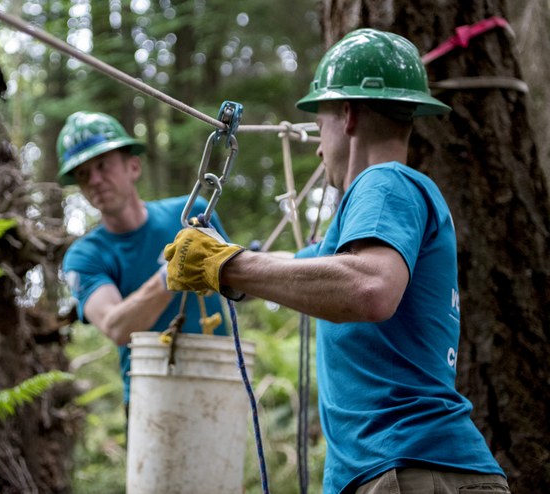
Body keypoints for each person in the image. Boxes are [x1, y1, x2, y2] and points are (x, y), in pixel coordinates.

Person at [164, 29, 510, 494]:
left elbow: (368, 288)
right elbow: (302, 267)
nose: (316, 143)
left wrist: (230, 266)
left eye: (319, 120)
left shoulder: (386, 182)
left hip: (410, 468)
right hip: (402, 470)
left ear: (347, 115)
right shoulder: (366, 228)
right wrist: (223, 259)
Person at [57, 111, 231, 414]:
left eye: (102, 166)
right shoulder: (85, 256)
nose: (95, 180)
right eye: (83, 175)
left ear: (133, 166)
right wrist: (170, 274)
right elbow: (116, 326)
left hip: (219, 382)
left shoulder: (192, 215)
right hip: (149, 395)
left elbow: (236, 281)